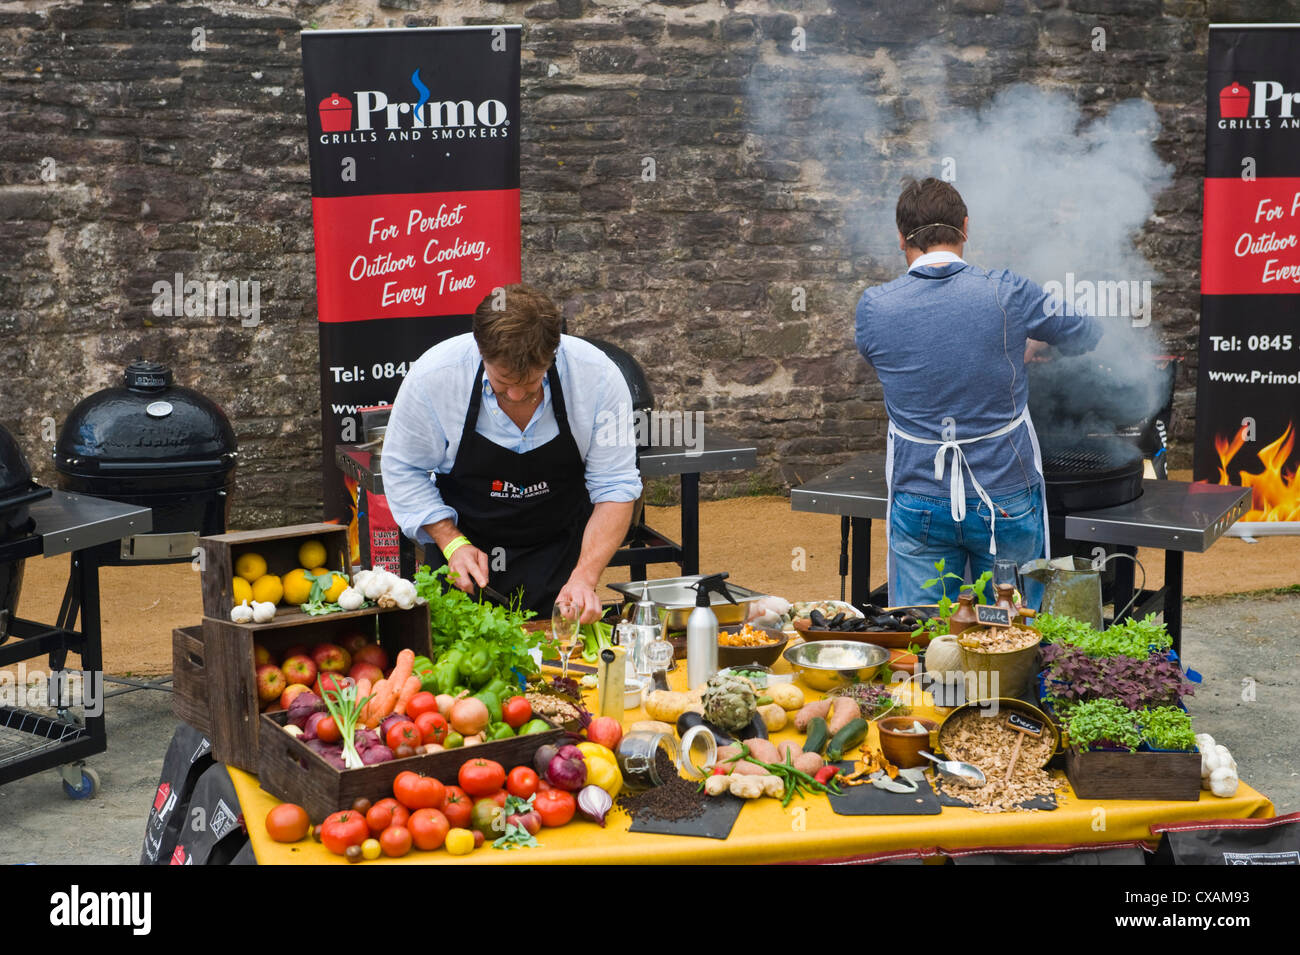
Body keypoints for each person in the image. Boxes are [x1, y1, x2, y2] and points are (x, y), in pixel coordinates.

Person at [854, 178, 1103, 607]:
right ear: (965, 227)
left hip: (918, 498)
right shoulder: (1009, 291)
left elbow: (900, 367)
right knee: (1012, 637)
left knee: (925, 635)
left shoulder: (875, 307)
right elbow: (1084, 332)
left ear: (900, 237)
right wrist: (1031, 341)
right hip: (1005, 495)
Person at [382, 284, 642, 623]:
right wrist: (451, 543)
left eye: (532, 381)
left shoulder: (597, 378)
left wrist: (584, 577)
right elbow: (404, 470)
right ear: (481, 350)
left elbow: (616, 487)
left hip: (557, 557)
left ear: (553, 352)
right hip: (463, 560)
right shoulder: (434, 378)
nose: (518, 394)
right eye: (503, 381)